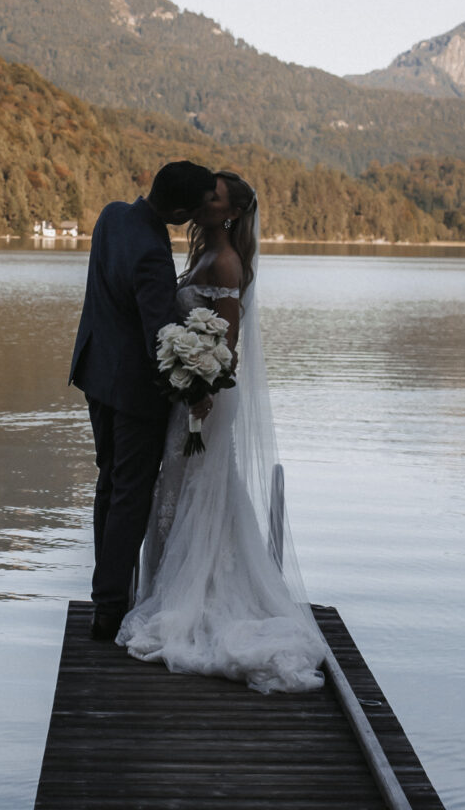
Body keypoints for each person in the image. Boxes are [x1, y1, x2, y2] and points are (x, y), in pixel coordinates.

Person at [119, 171, 326, 695]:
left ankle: (196, 594)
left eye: (212, 196)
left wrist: (198, 385)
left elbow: (226, 347)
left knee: (195, 486)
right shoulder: (204, 256)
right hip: (191, 388)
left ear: (230, 212)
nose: (202, 200)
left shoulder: (226, 262)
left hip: (207, 395)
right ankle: (176, 584)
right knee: (185, 487)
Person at [71, 160, 221, 640]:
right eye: (195, 209)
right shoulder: (153, 254)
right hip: (133, 390)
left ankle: (106, 598)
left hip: (95, 374)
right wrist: (194, 386)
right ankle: (110, 607)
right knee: (131, 493)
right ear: (178, 212)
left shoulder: (111, 216)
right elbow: (161, 337)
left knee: (109, 483)